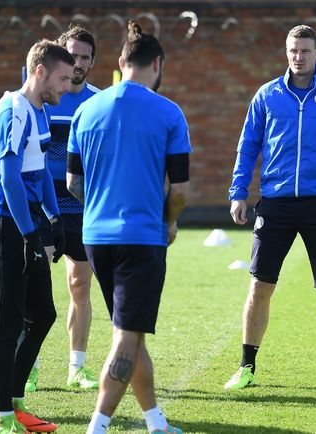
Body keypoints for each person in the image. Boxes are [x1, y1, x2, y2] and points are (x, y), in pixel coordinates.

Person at [225, 24, 316, 391]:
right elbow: (248, 146)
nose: (299, 57)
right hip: (275, 204)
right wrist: (238, 192)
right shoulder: (267, 95)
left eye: (305, 51)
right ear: (286, 52)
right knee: (260, 287)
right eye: (293, 50)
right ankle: (246, 367)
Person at [67, 20, 190, 434]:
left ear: (121, 63)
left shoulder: (85, 110)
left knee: (131, 331)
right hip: (141, 238)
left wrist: (100, 208)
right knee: (126, 335)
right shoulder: (169, 113)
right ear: (157, 64)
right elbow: (180, 190)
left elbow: (73, 182)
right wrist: (168, 222)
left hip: (95, 238)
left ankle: (156, 422)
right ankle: (97, 425)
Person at [0, 39, 74, 434]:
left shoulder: (40, 112)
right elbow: (11, 179)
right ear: (40, 71)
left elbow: (40, 172)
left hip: (27, 222)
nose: (68, 86)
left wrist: (55, 217)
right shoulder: (13, 110)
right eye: (63, 78)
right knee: (7, 323)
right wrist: (31, 234)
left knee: (43, 314)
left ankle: (15, 404)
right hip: (3, 222)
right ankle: (3, 418)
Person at [25, 24, 101, 393]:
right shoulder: (41, 98)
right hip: (42, 204)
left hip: (81, 205)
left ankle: (77, 368)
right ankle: (29, 366)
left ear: (93, 62)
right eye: (73, 55)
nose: (79, 63)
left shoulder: (98, 102)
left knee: (79, 284)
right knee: (33, 285)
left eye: (86, 57)